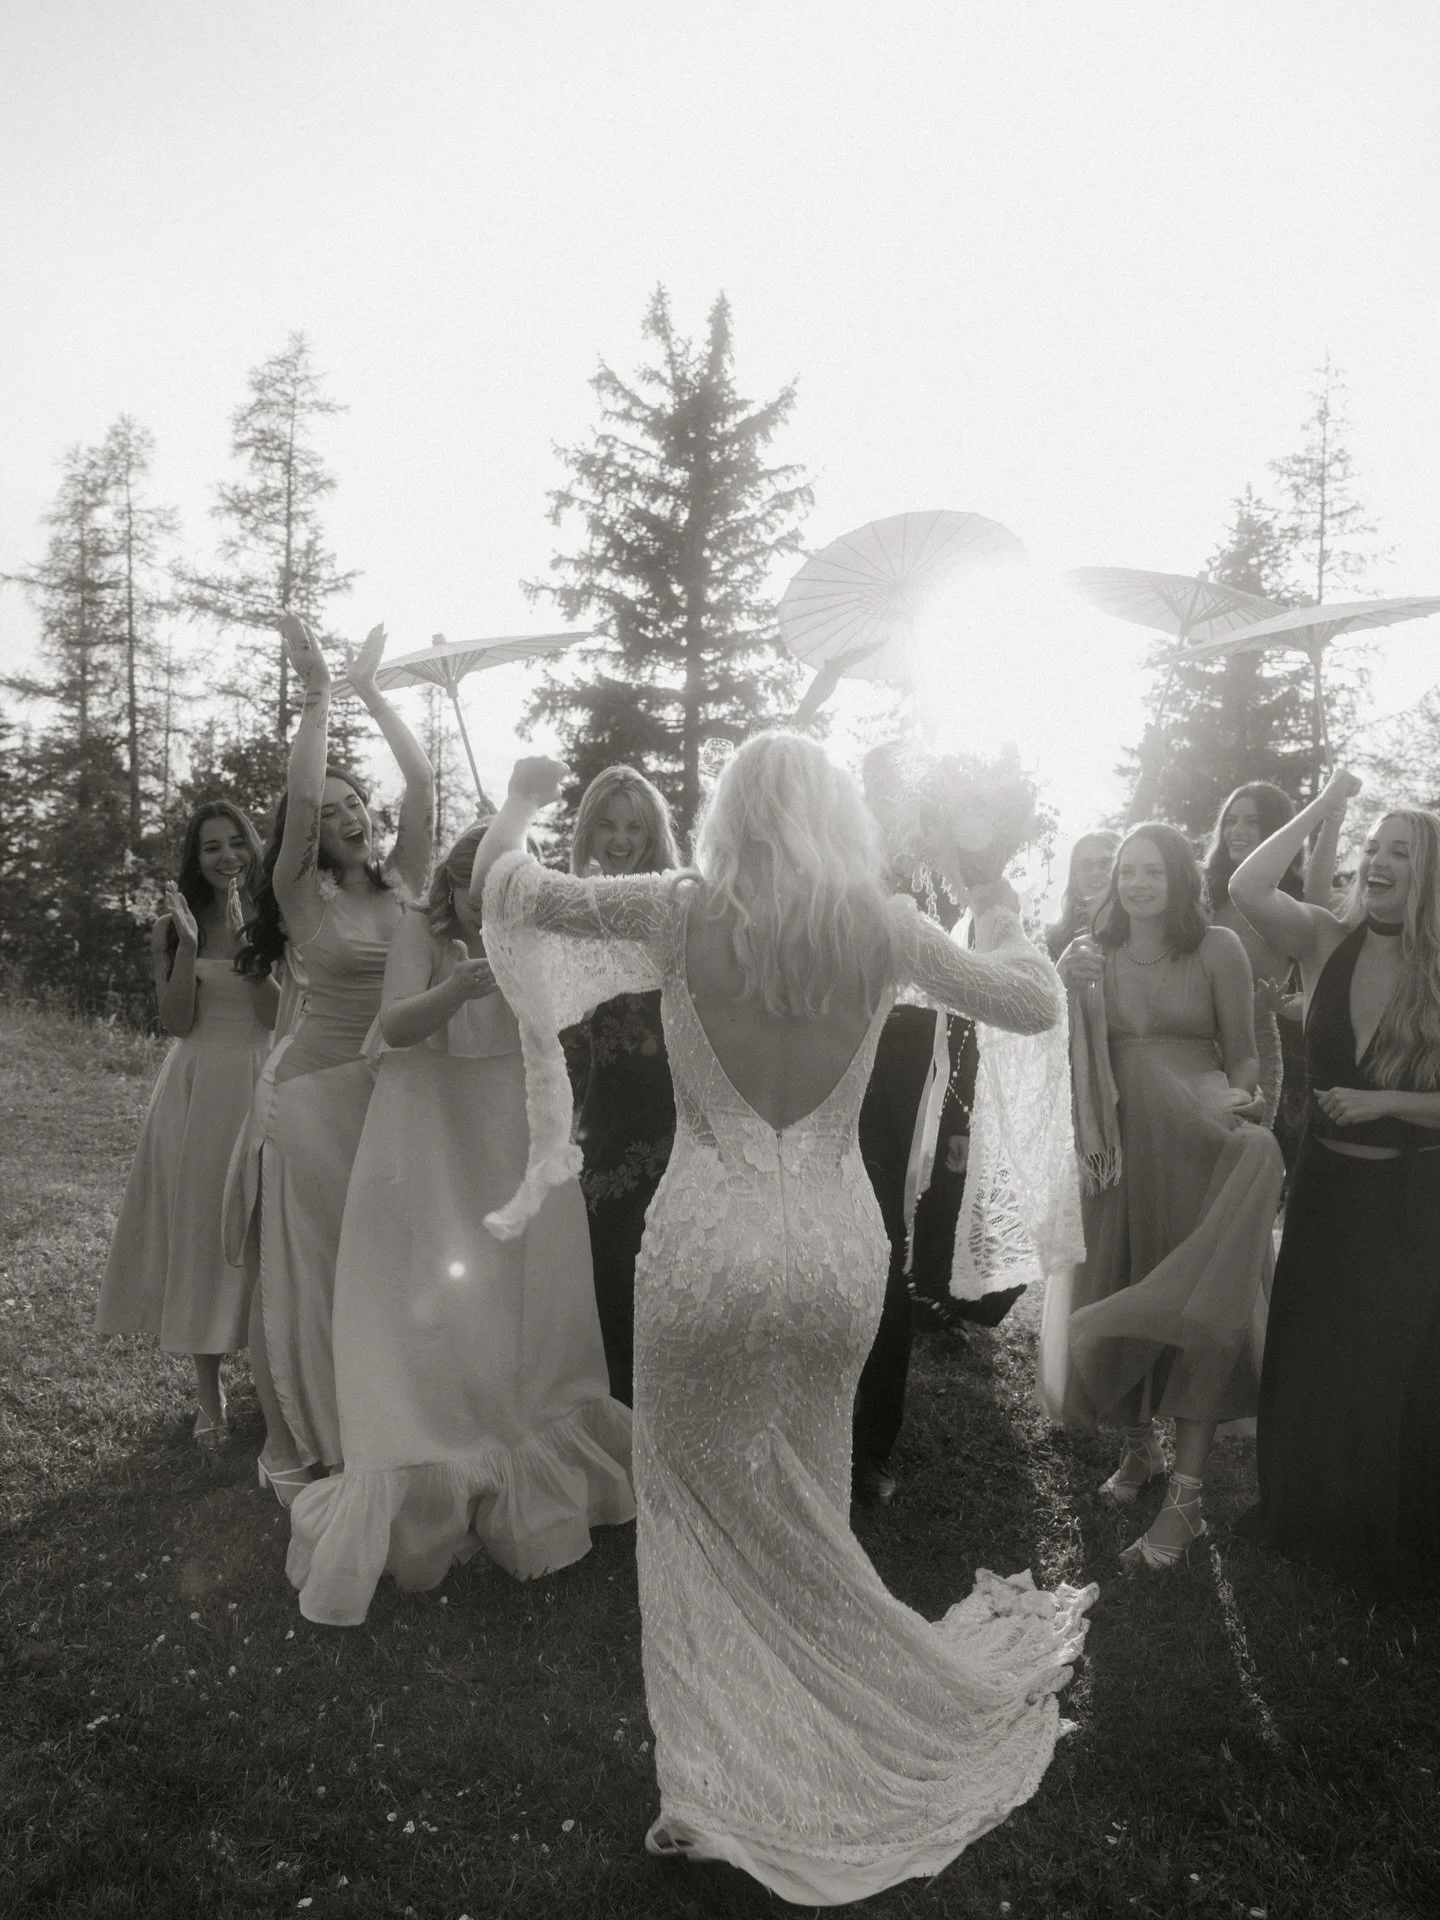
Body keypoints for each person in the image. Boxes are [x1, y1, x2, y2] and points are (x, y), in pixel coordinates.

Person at [469, 734, 1093, 1908]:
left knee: (694, 1502)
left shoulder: (679, 908)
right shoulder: (885, 926)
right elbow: (1031, 998)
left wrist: (519, 802)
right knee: (808, 1490)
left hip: (706, 1245)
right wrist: (991, 897)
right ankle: (823, 1714)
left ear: (731, 816)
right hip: (837, 1253)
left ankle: (716, 1781)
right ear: (839, 822)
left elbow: (510, 897)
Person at [285, 823, 634, 1625]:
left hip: (514, 1126)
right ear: (455, 873)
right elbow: (397, 1024)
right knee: (438, 1303)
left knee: (527, 1298)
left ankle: (531, 1452)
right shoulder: (422, 927)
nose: (490, 884)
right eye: (477, 869)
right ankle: (439, 1451)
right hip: (430, 1129)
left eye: (507, 870)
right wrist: (460, 988)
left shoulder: (534, 930)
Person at [1040, 822, 1285, 1569]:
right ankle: (1141, 1449)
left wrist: (1247, 1105)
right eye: (1127, 871)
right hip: (1117, 1145)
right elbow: (1061, 1043)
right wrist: (1062, 975)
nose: (1138, 883)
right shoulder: (1092, 954)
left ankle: (1187, 1497)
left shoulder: (1218, 948)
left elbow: (1243, 1050)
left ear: (1181, 878)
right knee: (1123, 1278)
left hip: (1196, 1135)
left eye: (1153, 870)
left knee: (1198, 1305)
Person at [234, 617, 433, 1503]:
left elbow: (424, 780)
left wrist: (369, 689)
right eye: (335, 808)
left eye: (360, 803)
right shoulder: (301, 895)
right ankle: (297, 1441)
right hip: (313, 1102)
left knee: (381, 1270)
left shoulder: (402, 885)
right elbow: (304, 806)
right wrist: (316, 700)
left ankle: (375, 1419)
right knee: (312, 1275)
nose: (349, 813)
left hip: (385, 1101)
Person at [1230, 773, 1440, 1589]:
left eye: (1403, 852)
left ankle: (1388, 1524)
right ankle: (1309, 1515)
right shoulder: (1323, 937)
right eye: (1374, 848)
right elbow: (1248, 883)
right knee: (1315, 1355)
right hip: (1325, 1190)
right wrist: (1324, 806)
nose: (1380, 862)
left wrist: (1384, 1098)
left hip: (1412, 1200)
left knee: (1394, 1364)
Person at [97, 803, 276, 1445]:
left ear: (254, 849)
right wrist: (191, 949)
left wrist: (252, 946)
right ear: (194, 860)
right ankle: (210, 1394)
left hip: (267, 1081)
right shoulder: (172, 927)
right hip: (199, 1088)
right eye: (210, 848)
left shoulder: (279, 917)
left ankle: (280, 1377)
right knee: (204, 1229)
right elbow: (175, 1022)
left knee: (272, 1231)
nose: (226, 857)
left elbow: (280, 1018)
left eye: (236, 844)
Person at [568, 766, 682, 1405]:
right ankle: (608, 1406)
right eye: (608, 823)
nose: (620, 838)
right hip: (598, 1104)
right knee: (602, 1259)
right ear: (588, 828)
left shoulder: (672, 901)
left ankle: (657, 1405)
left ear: (654, 832)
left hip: (666, 1103)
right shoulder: (570, 903)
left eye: (634, 825)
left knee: (659, 1261)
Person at [1045, 830, 1120, 962]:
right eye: (1086, 865)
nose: (1095, 872)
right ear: (1074, 875)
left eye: (1106, 863)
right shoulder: (1054, 938)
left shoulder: (1138, 932)